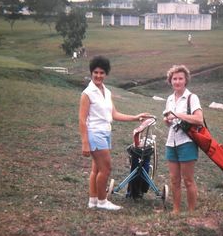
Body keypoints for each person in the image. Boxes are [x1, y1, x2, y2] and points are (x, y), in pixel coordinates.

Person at [79, 56, 150, 210]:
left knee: (97, 169)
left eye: (102, 73)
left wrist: (135, 117)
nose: (98, 76)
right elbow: (82, 119)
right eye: (95, 72)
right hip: (94, 134)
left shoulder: (107, 91)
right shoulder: (87, 93)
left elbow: (114, 114)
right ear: (91, 73)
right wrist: (85, 142)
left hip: (105, 132)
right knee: (106, 169)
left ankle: (93, 201)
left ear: (106, 74)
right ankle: (102, 201)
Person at [163, 65, 204, 214]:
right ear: (170, 81)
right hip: (171, 142)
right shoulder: (169, 99)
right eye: (174, 78)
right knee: (174, 180)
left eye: (180, 78)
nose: (177, 81)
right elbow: (169, 120)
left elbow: (199, 119)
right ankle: (176, 210)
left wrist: (178, 115)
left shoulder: (192, 98)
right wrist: (167, 121)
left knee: (188, 180)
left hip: (186, 142)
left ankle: (192, 212)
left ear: (186, 80)